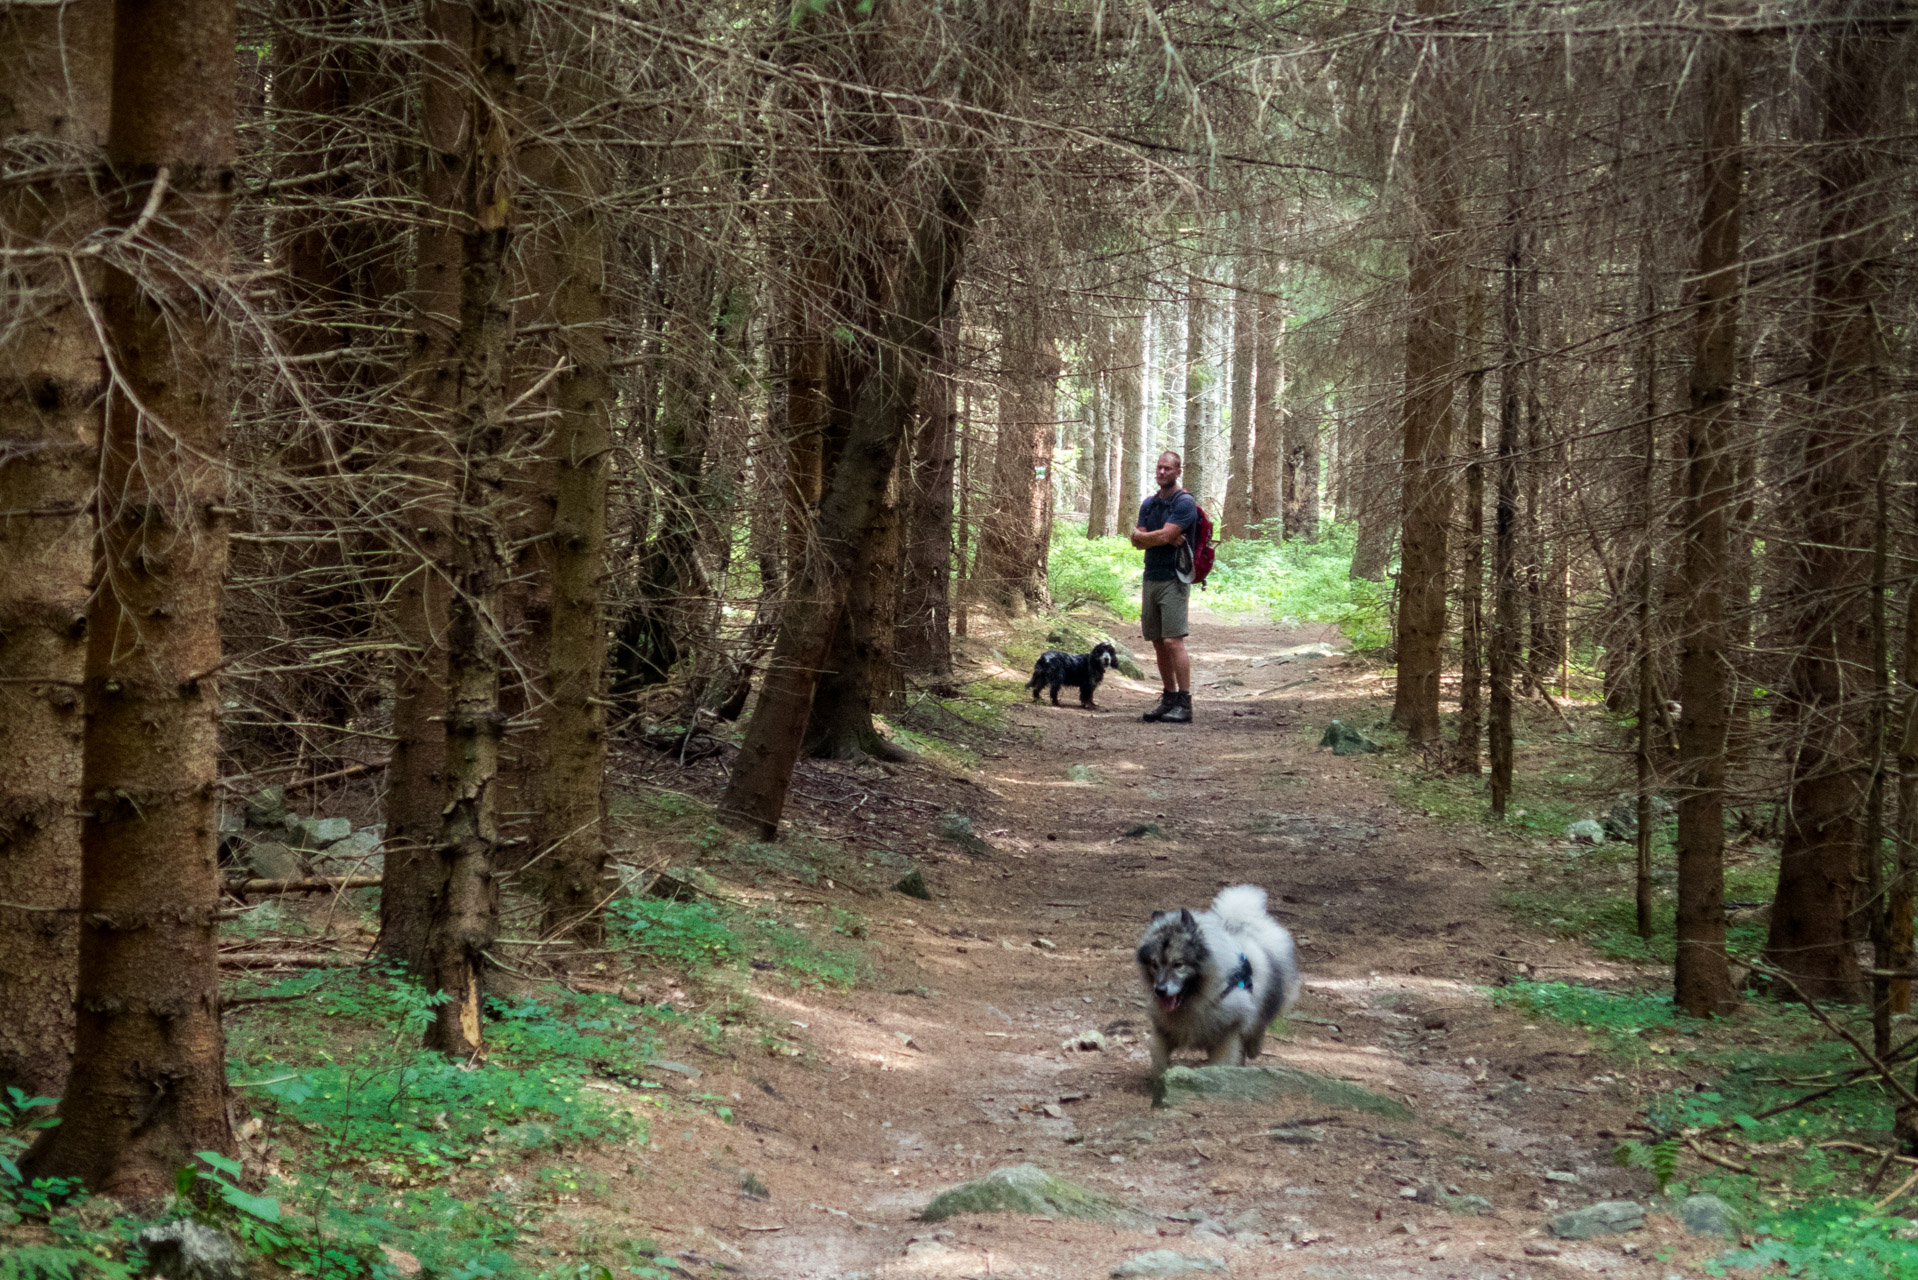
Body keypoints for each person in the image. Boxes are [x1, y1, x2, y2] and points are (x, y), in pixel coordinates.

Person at [1130, 450, 1198, 723]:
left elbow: (1155, 535)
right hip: (1151, 577)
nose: (1161, 472)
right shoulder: (1149, 504)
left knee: (1173, 640)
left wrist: (1155, 537)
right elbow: (1136, 540)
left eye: (1167, 468)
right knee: (1158, 642)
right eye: (1159, 468)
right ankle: (1168, 697)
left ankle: (1185, 701)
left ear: (1178, 471)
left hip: (1175, 578)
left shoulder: (1185, 503)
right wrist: (1161, 538)